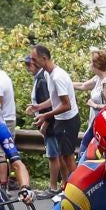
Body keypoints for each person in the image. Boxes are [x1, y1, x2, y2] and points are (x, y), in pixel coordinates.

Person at [28, 44, 80, 189]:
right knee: (63, 156)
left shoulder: (58, 76)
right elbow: (54, 99)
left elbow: (66, 104)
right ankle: (69, 185)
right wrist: (39, 107)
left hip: (69, 120)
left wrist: (45, 115)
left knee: (68, 157)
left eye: (34, 59)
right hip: (60, 120)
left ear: (44, 58)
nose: (32, 62)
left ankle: (79, 189)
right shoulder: (47, 74)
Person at [82, 49, 106, 116]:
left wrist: (94, 105)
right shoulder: (98, 77)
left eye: (90, 62)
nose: (89, 64)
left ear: (96, 65)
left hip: (101, 119)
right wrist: (67, 82)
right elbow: (83, 85)